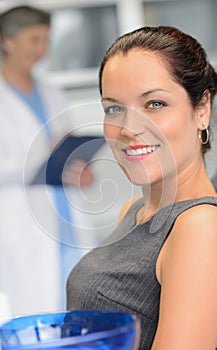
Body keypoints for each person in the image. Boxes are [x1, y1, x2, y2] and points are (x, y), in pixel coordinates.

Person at [67, 26, 217, 349]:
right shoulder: (134, 211)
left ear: (201, 110)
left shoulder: (200, 227)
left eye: (155, 104)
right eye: (114, 108)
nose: (129, 129)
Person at [0, 5, 95, 315]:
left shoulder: (51, 91)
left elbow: (62, 150)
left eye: (46, 40)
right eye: (33, 39)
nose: (41, 49)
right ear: (8, 41)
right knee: (32, 315)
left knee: (75, 310)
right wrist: (43, 153)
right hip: (19, 222)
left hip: (67, 219)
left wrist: (81, 169)